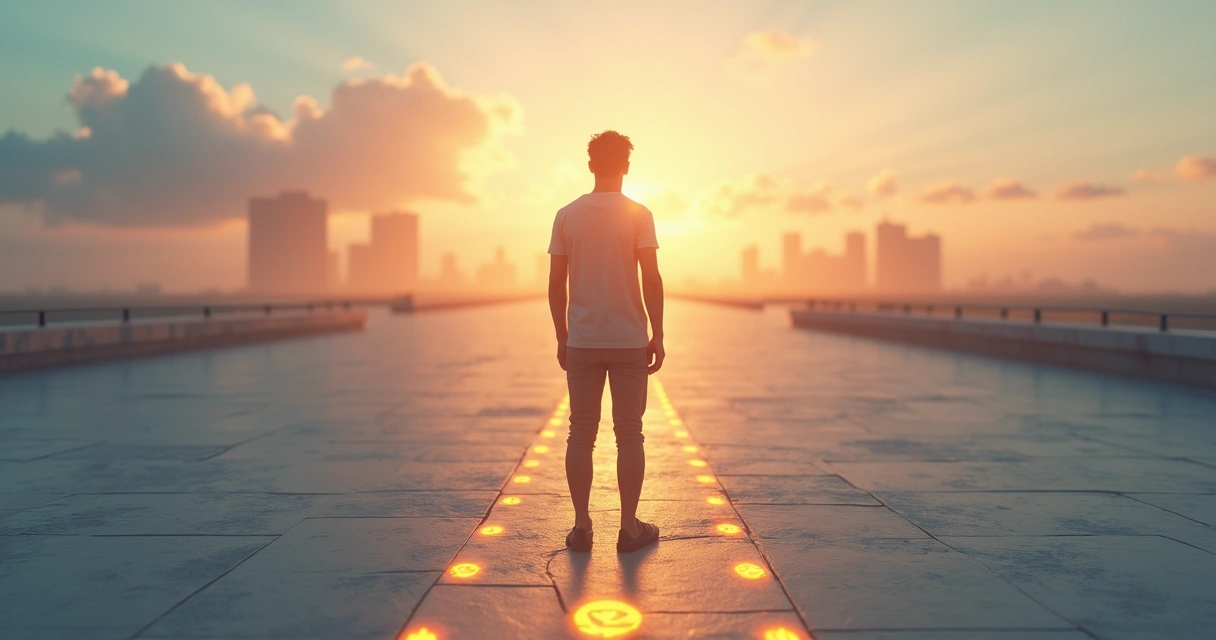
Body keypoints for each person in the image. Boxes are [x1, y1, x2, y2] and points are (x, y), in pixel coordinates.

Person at [548, 130, 665, 554]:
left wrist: (563, 336)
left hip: (583, 340)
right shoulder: (639, 214)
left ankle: (581, 528)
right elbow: (650, 277)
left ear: (592, 164)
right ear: (627, 166)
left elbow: (555, 284)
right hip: (630, 339)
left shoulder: (566, 215)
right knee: (630, 434)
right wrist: (659, 332)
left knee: (580, 434)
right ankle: (629, 529)